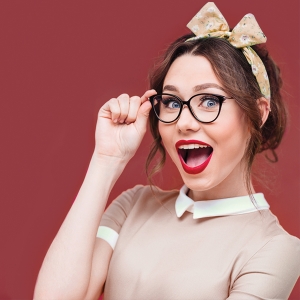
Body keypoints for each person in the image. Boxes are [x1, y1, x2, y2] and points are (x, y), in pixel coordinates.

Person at [34, 2, 300, 299]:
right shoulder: (132, 205)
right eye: (173, 102)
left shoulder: (275, 248)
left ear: (259, 113)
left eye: (209, 101)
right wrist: (106, 161)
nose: (185, 123)